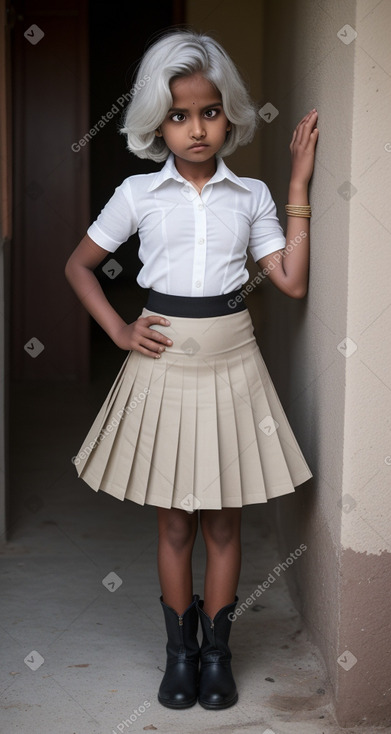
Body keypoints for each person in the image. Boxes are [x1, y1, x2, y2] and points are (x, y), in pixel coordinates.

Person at [65, 28, 318, 712]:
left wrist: (296, 184)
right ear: (157, 121)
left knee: (225, 523)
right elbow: (78, 265)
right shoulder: (138, 193)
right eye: (178, 115)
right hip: (165, 362)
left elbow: (290, 281)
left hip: (233, 358)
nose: (195, 128)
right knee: (175, 521)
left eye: (208, 111)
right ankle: (179, 656)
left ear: (228, 114)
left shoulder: (252, 195)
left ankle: (217, 656)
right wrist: (118, 328)